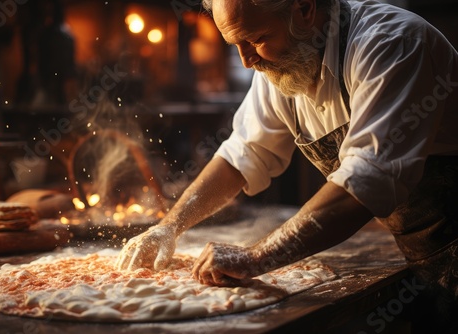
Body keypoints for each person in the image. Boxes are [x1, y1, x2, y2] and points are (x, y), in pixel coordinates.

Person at [116, 0, 458, 331]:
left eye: (256, 39)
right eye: (236, 44)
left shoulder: (391, 44)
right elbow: (243, 154)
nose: (247, 61)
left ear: (305, 9)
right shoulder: (284, 60)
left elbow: (369, 179)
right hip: (413, 247)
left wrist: (255, 258)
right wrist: (170, 226)